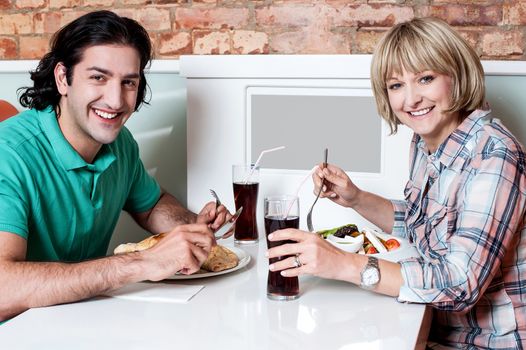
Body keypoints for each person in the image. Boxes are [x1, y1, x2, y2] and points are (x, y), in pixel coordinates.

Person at [267, 17, 526, 349]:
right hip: (433, 327)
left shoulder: (494, 154)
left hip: (484, 343)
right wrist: (355, 198)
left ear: (457, 76)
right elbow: (426, 222)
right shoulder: (427, 142)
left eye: (426, 78)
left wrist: (343, 264)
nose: (411, 100)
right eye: (396, 86)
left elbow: (461, 284)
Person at [0, 10, 231, 321]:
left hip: (79, 319)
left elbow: (151, 206)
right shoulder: (9, 154)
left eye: (129, 83)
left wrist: (191, 228)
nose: (116, 100)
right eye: (98, 77)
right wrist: (143, 263)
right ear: (62, 79)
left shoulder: (120, 144)